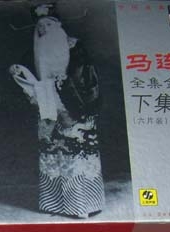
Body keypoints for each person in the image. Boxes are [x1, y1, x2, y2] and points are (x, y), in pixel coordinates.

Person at [9, 3, 103, 218]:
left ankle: (82, 204)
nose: (44, 29)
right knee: (54, 155)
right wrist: (21, 75)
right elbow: (27, 77)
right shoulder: (33, 52)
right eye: (40, 26)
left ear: (57, 24)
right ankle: (54, 203)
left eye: (48, 24)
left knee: (77, 154)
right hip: (47, 106)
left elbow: (87, 77)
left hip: (74, 105)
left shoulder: (74, 47)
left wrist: (65, 86)